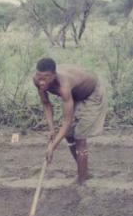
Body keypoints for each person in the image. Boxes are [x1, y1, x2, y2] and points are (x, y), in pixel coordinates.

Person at [33, 57, 107, 185]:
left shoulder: (64, 86)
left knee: (79, 137)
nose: (42, 82)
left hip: (92, 93)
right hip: (76, 94)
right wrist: (52, 129)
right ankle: (83, 171)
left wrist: (52, 147)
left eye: (45, 78)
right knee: (68, 135)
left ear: (53, 76)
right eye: (39, 77)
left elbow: (67, 122)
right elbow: (46, 104)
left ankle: (82, 181)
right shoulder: (37, 80)